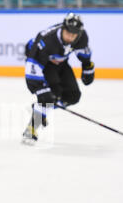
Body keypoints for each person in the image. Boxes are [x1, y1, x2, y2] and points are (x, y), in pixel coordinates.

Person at [22, 13, 95, 144]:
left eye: (74, 35)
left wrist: (87, 67)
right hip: (44, 63)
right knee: (50, 96)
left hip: (61, 62)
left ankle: (40, 107)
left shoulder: (81, 36)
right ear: (63, 28)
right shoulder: (46, 40)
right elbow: (32, 67)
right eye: (68, 34)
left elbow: (83, 52)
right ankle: (31, 128)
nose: (70, 38)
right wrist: (40, 90)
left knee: (73, 96)